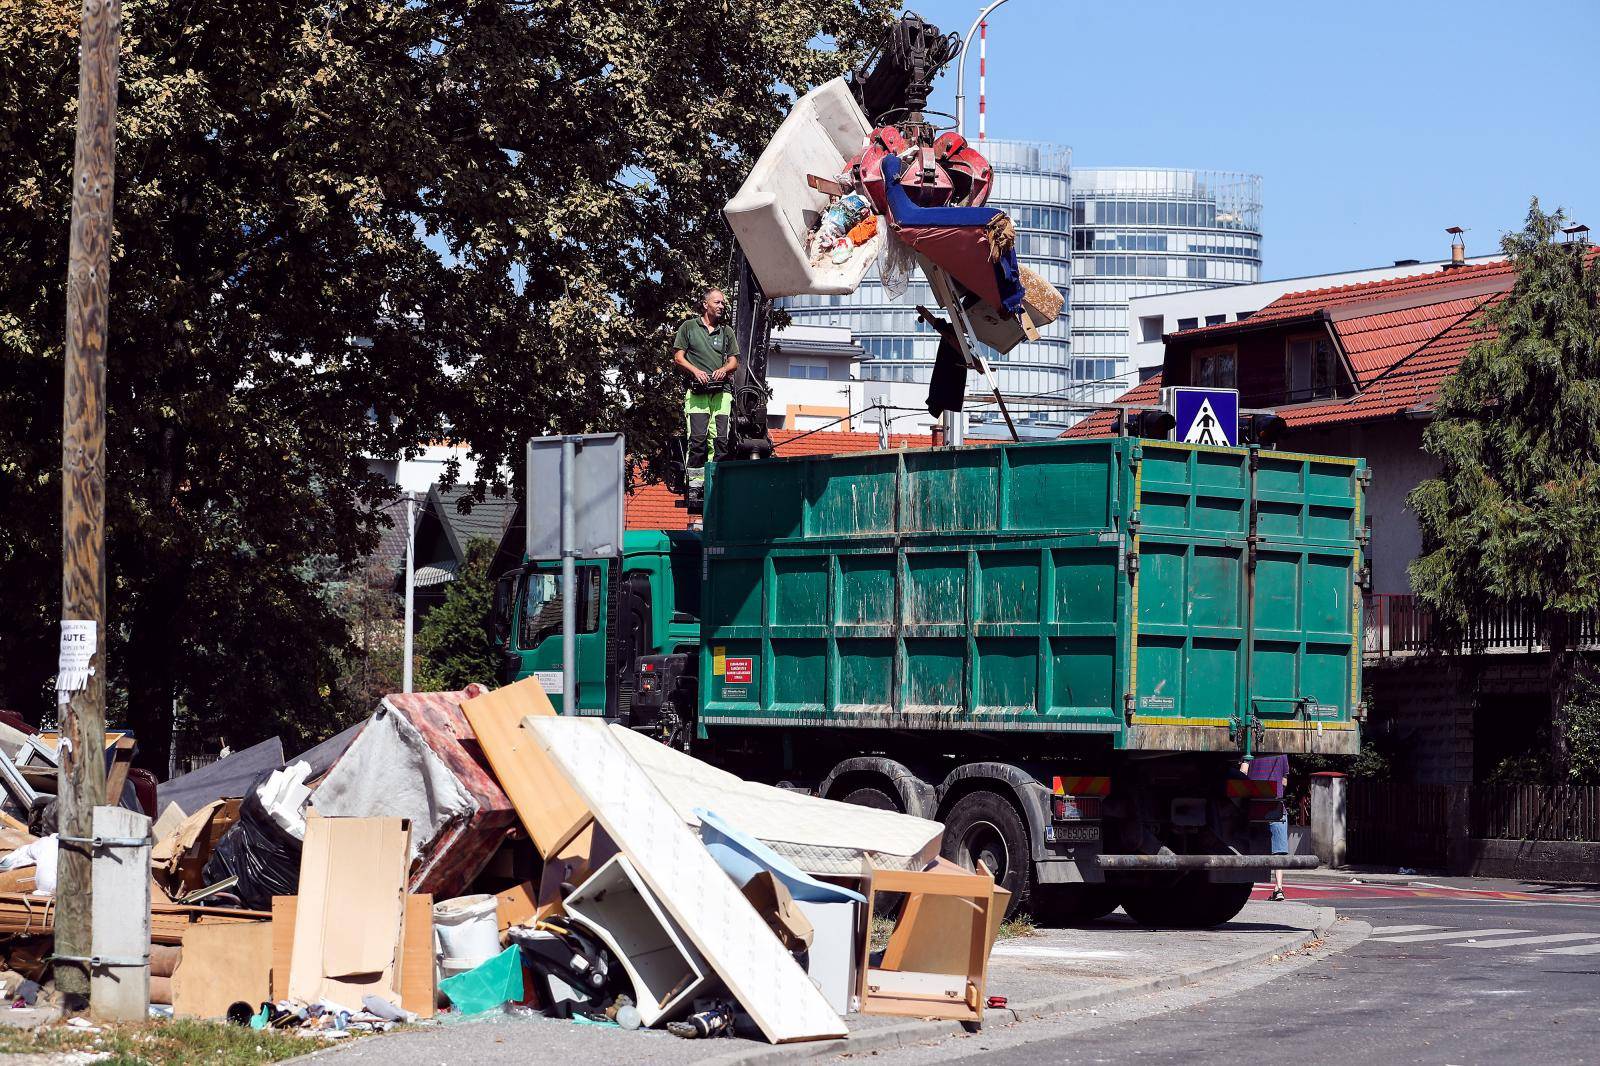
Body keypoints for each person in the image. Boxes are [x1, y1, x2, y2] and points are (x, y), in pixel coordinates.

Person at [671, 289, 740, 494]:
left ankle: (715, 483)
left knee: (720, 440)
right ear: (705, 304)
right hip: (697, 394)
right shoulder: (689, 327)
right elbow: (678, 357)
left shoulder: (726, 331)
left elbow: (734, 361)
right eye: (717, 302)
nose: (721, 306)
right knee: (698, 440)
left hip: (722, 393)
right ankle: (695, 486)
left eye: (723, 303)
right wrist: (695, 371)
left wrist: (724, 369)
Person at [1242, 754, 1292, 901]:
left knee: (1248, 845)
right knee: (1279, 851)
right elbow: (1284, 781)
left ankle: (1244, 881)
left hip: (1254, 805)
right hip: (1275, 805)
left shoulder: (1249, 751)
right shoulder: (1282, 755)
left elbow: (1243, 773)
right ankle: (1279, 888)